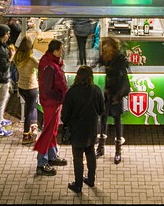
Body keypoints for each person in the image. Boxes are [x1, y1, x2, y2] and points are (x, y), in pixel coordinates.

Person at [61, 65, 105, 194]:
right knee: (90, 153)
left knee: (78, 157)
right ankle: (91, 180)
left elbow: (65, 115)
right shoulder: (96, 90)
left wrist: (69, 124)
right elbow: (101, 110)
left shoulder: (72, 92)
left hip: (77, 130)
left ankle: (78, 185)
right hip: (91, 128)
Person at [32, 39, 68, 176]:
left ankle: (52, 156)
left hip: (54, 103)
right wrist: (59, 96)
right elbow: (47, 89)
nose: (62, 51)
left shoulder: (50, 62)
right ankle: (41, 163)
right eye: (61, 49)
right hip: (51, 103)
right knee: (48, 131)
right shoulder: (50, 66)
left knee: (52, 130)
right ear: (55, 51)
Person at [97, 37, 131, 164]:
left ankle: (118, 151)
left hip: (116, 94)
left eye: (107, 46)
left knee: (117, 120)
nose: (105, 49)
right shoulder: (105, 58)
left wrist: (118, 95)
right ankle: (101, 147)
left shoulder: (119, 60)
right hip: (107, 92)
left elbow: (125, 81)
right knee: (103, 118)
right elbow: (98, 63)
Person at [12, 35, 41, 144]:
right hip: (31, 87)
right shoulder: (31, 59)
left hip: (21, 87)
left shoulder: (17, 57)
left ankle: (34, 127)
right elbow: (40, 66)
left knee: (32, 107)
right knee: (29, 110)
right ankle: (26, 136)